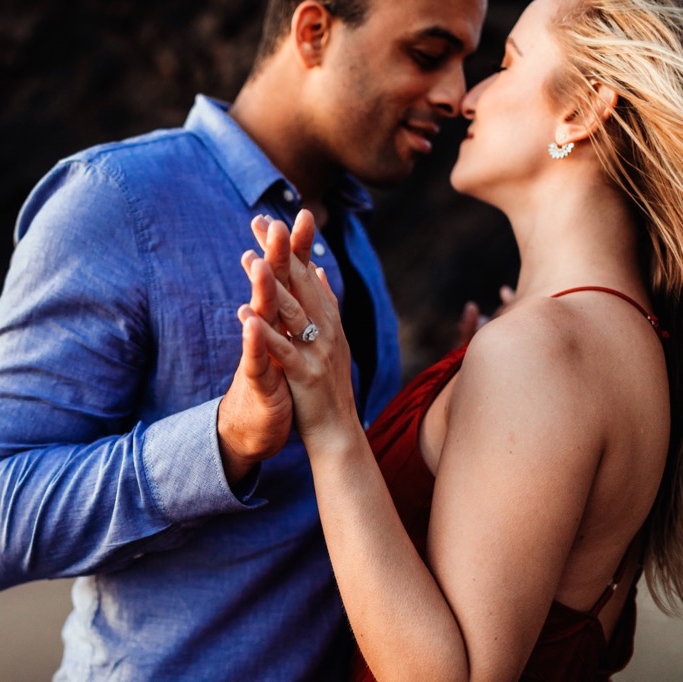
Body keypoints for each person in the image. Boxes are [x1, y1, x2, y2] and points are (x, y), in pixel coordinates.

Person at [0, 0, 485, 678]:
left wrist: (456, 397)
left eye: (466, 62)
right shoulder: (117, 200)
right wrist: (226, 439)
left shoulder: (352, 237)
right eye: (428, 55)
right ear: (314, 32)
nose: (456, 95)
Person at [238, 0, 683, 678]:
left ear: (581, 112)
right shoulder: (617, 338)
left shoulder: (546, 351)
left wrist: (329, 420)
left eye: (505, 64)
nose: (467, 98)